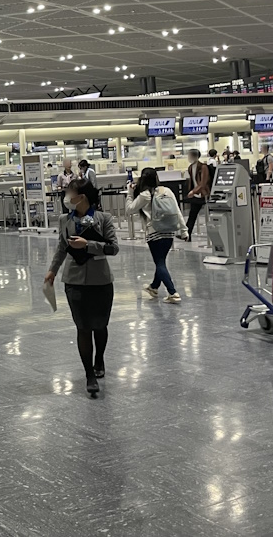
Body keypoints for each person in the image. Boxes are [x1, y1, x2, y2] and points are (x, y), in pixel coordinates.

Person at [44, 179, 119, 398]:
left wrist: (89, 245)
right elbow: (61, 247)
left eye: (70, 193)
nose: (66, 197)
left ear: (82, 197)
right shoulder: (64, 220)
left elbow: (114, 248)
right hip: (74, 281)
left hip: (101, 281)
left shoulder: (103, 219)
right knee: (83, 327)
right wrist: (52, 270)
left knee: (100, 325)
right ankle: (89, 375)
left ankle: (99, 359)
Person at [126, 168, 188, 304]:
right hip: (169, 231)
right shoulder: (166, 191)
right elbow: (177, 211)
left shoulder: (145, 195)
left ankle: (173, 292)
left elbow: (129, 209)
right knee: (161, 262)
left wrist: (130, 192)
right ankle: (154, 287)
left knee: (160, 263)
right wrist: (184, 231)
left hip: (154, 233)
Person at [184, 149, 210, 241]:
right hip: (196, 195)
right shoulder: (190, 167)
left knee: (209, 215)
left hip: (204, 194)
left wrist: (194, 191)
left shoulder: (203, 167)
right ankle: (187, 235)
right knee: (192, 215)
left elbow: (203, 183)